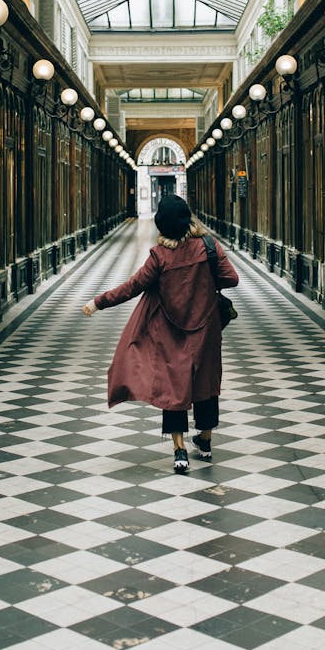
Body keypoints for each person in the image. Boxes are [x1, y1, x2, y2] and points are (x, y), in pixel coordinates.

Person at [82, 194, 238, 473]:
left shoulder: (160, 256)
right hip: (206, 330)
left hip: (171, 332)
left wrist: (98, 302)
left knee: (173, 386)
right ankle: (204, 440)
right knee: (206, 381)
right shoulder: (210, 246)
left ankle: (179, 450)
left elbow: (133, 286)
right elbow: (231, 278)